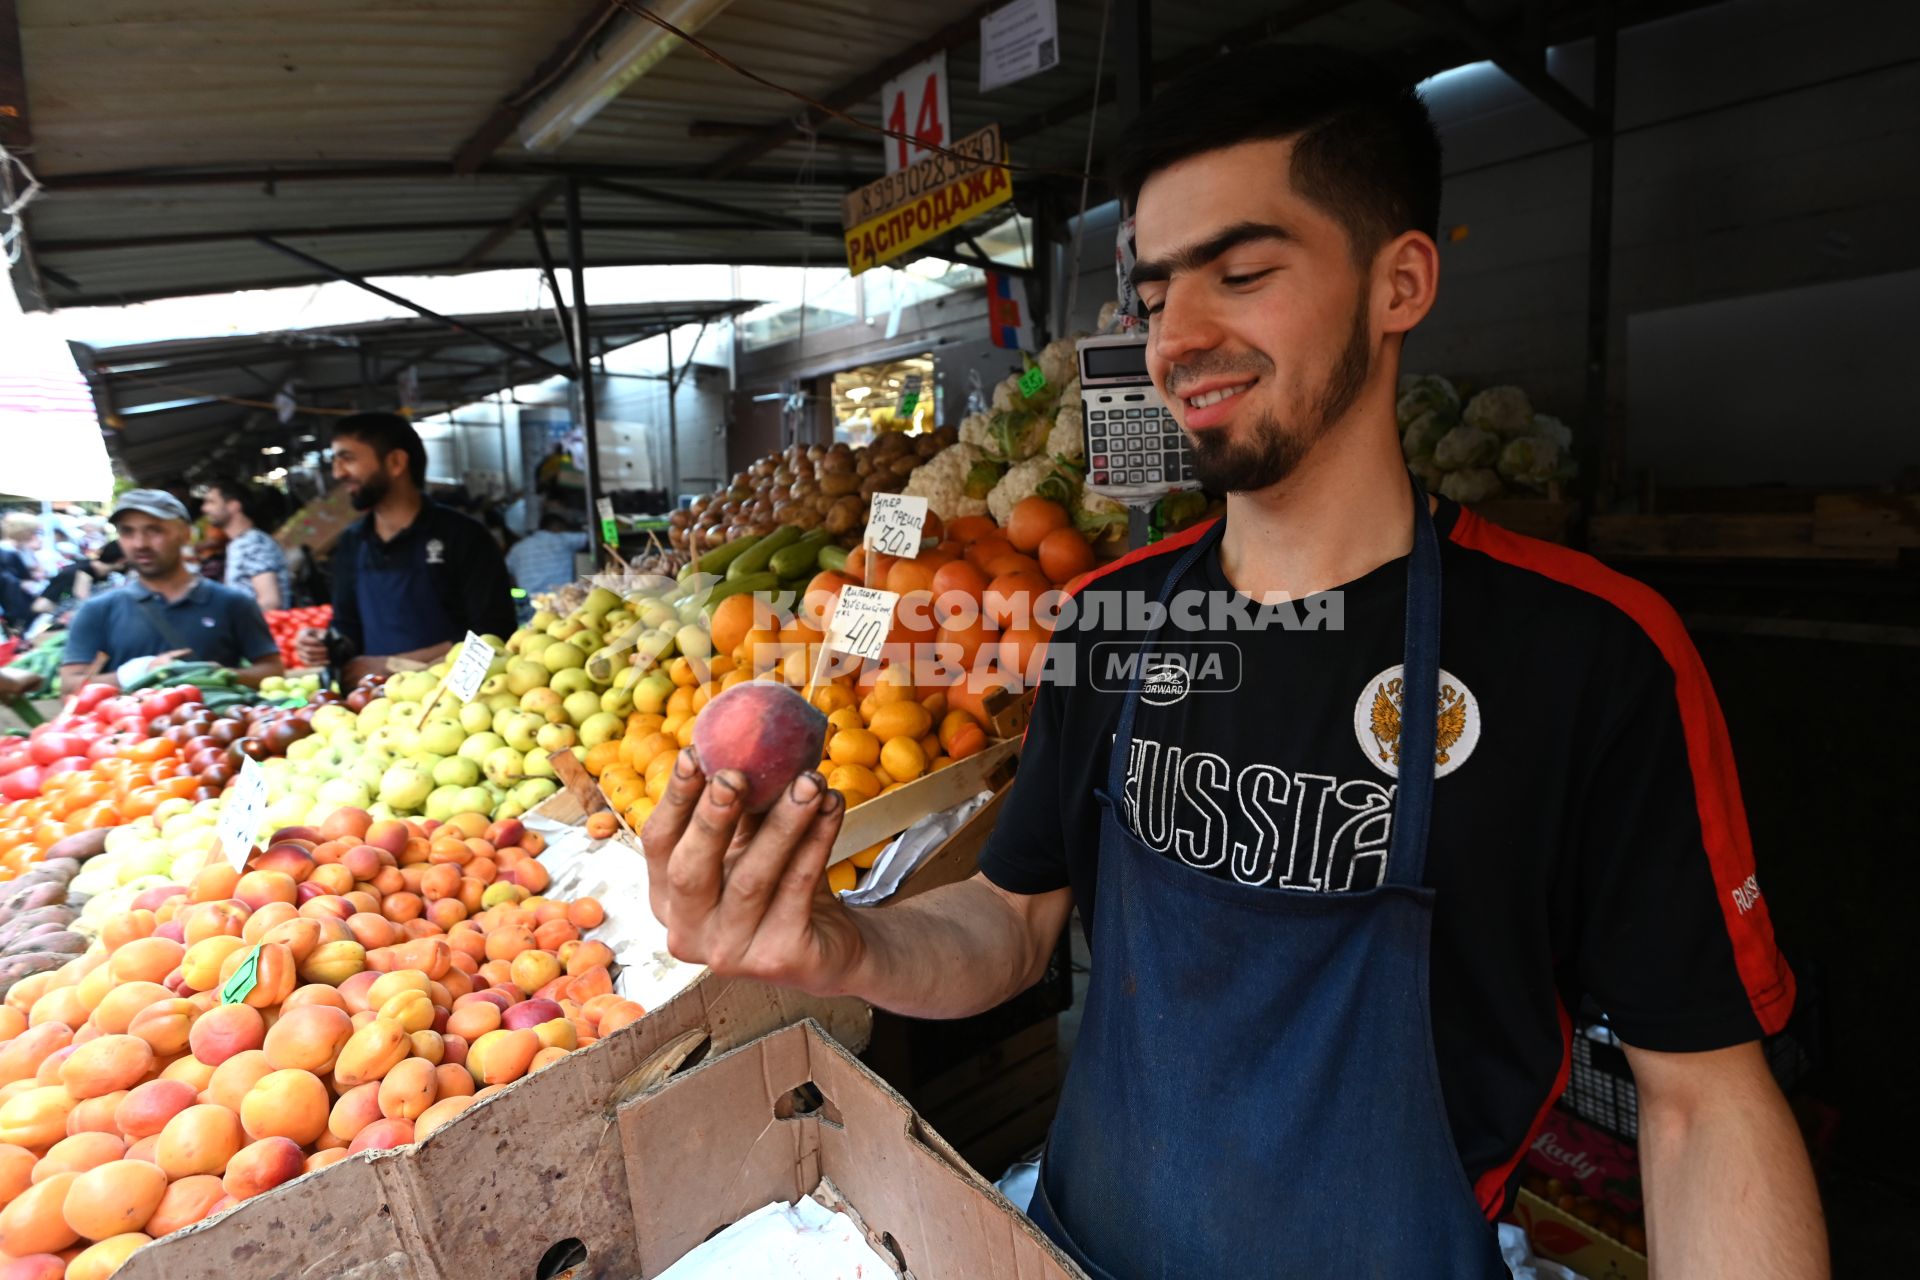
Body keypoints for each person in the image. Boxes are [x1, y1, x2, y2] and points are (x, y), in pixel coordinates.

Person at [636, 46, 1826, 1279]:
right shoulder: (1109, 620)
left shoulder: (1589, 655)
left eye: (1243, 273)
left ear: (1400, 281)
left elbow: (1703, 1103)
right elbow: (1010, 916)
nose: (1178, 338)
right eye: (1152, 298)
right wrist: (843, 943)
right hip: (1080, 1247)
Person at [293, 413, 514, 682]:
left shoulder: (463, 536)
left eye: (347, 458)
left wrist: (393, 665)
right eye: (336, 461)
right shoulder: (352, 541)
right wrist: (325, 643)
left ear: (396, 462)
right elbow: (348, 626)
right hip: (374, 707)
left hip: (455, 705)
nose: (338, 473)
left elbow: (493, 636)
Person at [59, 490, 283, 694]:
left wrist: (224, 675)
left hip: (213, 734)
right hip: (128, 734)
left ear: (185, 534)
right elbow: (70, 689)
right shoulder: (97, 611)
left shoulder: (233, 603)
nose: (140, 543)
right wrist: (141, 672)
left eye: (154, 530)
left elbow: (272, 670)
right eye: (127, 532)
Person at [201, 476, 289, 612]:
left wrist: (230, 623)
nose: (204, 508)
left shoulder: (253, 543)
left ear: (233, 506)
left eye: (211, 502)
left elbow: (270, 602)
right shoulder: (240, 543)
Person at [504, 511, 589, 598]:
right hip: (562, 598)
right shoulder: (561, 538)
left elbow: (505, 572)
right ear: (557, 526)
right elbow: (591, 538)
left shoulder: (517, 548)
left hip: (529, 600)